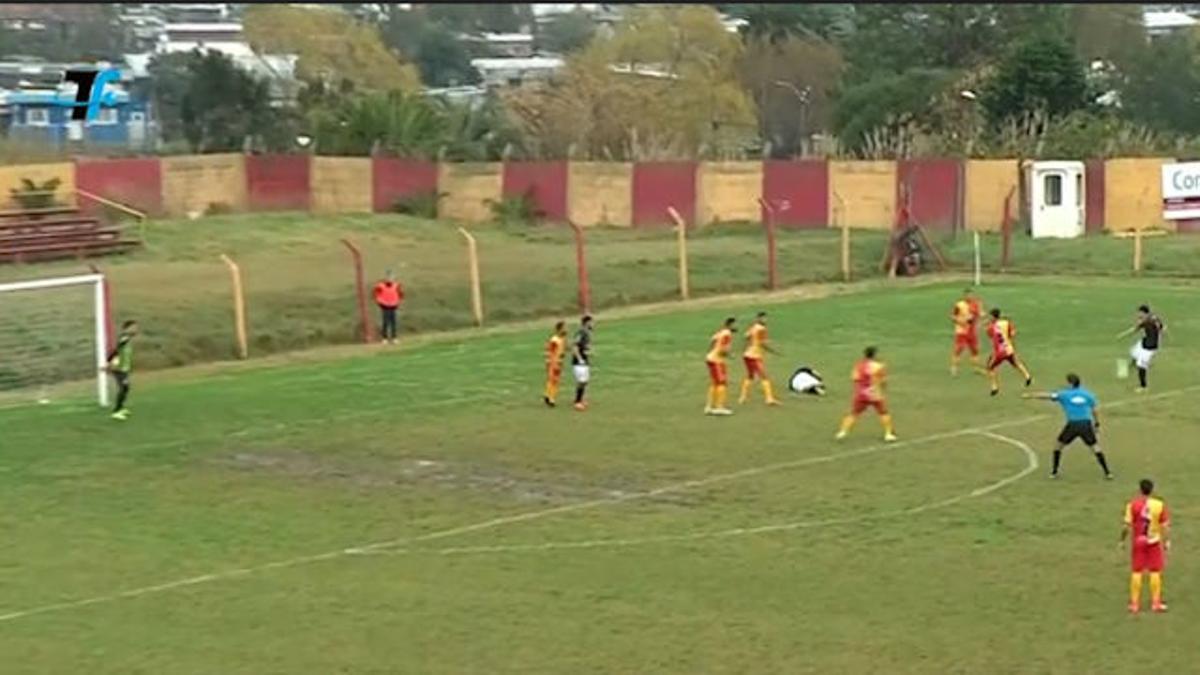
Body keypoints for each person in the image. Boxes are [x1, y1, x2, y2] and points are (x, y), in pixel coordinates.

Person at [1022, 373, 1112, 480]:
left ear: (1070, 383)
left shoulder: (1064, 395)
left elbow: (1048, 396)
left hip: (1073, 424)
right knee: (1095, 447)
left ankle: (1054, 472)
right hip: (1086, 424)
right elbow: (1094, 410)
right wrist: (1097, 424)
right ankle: (1107, 472)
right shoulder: (1088, 394)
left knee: (1058, 446)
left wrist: (1031, 395)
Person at [1121, 479, 1170, 614]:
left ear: (1140, 490)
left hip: (1138, 542)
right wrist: (1166, 542)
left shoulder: (1132, 505)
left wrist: (1122, 540)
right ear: (1152, 490)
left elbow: (1126, 526)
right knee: (1155, 571)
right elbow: (1165, 526)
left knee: (1137, 571)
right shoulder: (1159, 505)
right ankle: (1156, 603)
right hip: (1153, 541)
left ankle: (1135, 604)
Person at [836, 346, 897, 442]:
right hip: (875, 394)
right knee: (883, 413)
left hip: (862, 394)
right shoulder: (879, 366)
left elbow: (854, 378)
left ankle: (842, 432)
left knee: (854, 413)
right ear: (875, 355)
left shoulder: (859, 365)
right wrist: (883, 388)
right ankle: (888, 434)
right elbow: (883, 381)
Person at [1116, 304, 1165, 393]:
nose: (1138, 315)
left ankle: (1143, 386)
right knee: (1133, 352)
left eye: (1140, 313)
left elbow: (1161, 329)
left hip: (1150, 347)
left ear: (1144, 312)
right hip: (1144, 342)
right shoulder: (1145, 320)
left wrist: (1160, 339)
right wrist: (1123, 335)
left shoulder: (1153, 320)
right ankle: (1134, 365)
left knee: (1141, 366)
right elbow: (1135, 329)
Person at [986, 308, 1033, 396]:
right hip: (1009, 349)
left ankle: (994, 387)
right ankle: (1027, 376)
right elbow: (1012, 334)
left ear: (993, 316)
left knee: (990, 368)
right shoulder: (1006, 322)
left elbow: (989, 335)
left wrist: (989, 325)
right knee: (1016, 363)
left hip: (1000, 352)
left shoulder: (991, 326)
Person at [738, 311, 781, 406]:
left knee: (750, 376)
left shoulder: (753, 327)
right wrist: (773, 351)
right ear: (758, 319)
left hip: (747, 355)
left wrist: (745, 347)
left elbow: (746, 337)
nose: (765, 320)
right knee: (764, 376)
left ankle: (743, 397)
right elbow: (763, 343)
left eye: (766, 318)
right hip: (755, 356)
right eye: (763, 318)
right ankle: (769, 399)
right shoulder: (762, 329)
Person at [105, 320, 138, 421]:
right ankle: (116, 411)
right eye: (133, 327)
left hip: (124, 368)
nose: (135, 329)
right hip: (119, 369)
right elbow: (115, 351)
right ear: (126, 328)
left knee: (126, 388)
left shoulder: (128, 339)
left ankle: (121, 407)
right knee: (123, 388)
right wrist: (108, 362)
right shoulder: (124, 339)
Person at [704, 317, 736, 416]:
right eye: (734, 324)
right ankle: (719, 407)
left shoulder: (721, 332)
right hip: (717, 361)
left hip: (710, 358)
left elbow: (712, 340)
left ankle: (709, 406)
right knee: (722, 383)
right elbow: (723, 349)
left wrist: (710, 351)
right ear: (730, 325)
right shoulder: (727, 334)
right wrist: (729, 355)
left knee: (714, 383)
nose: (736, 327)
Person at [950, 288, 984, 376]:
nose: (970, 296)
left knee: (975, 350)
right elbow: (952, 316)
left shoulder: (976, 304)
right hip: (962, 331)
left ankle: (976, 368)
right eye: (968, 295)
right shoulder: (959, 305)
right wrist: (961, 321)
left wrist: (980, 316)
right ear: (964, 296)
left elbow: (980, 314)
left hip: (972, 331)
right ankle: (954, 368)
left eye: (971, 295)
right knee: (959, 349)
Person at [372, 270, 404, 345]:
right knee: (385, 322)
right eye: (388, 277)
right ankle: (384, 338)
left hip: (393, 305)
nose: (390, 279)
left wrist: (398, 302)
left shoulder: (397, 285)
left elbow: (400, 294)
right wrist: (379, 302)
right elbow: (375, 294)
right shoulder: (380, 285)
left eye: (391, 277)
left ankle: (394, 337)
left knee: (393, 322)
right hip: (384, 305)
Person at [571, 315, 594, 411]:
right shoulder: (581, 332)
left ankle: (580, 399)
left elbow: (584, 347)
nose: (593, 324)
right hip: (579, 362)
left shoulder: (587, 333)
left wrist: (588, 352)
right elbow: (575, 346)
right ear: (587, 322)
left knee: (585, 381)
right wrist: (579, 358)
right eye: (591, 322)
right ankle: (577, 402)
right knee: (582, 381)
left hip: (585, 361)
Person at [543, 321, 568, 408]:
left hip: (559, 361)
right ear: (559, 329)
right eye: (564, 328)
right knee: (554, 380)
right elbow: (550, 352)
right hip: (554, 362)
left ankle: (547, 395)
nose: (566, 329)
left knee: (553, 380)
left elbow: (564, 350)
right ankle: (551, 399)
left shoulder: (562, 339)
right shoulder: (554, 340)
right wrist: (550, 362)